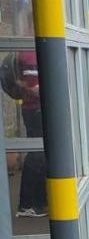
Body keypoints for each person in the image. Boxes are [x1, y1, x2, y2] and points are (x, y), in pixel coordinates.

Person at [1, 51, 47, 217]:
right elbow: (35, 88)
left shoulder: (29, 52)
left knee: (40, 154)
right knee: (38, 154)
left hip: (33, 109)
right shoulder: (30, 54)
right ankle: (28, 204)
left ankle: (39, 201)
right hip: (36, 110)